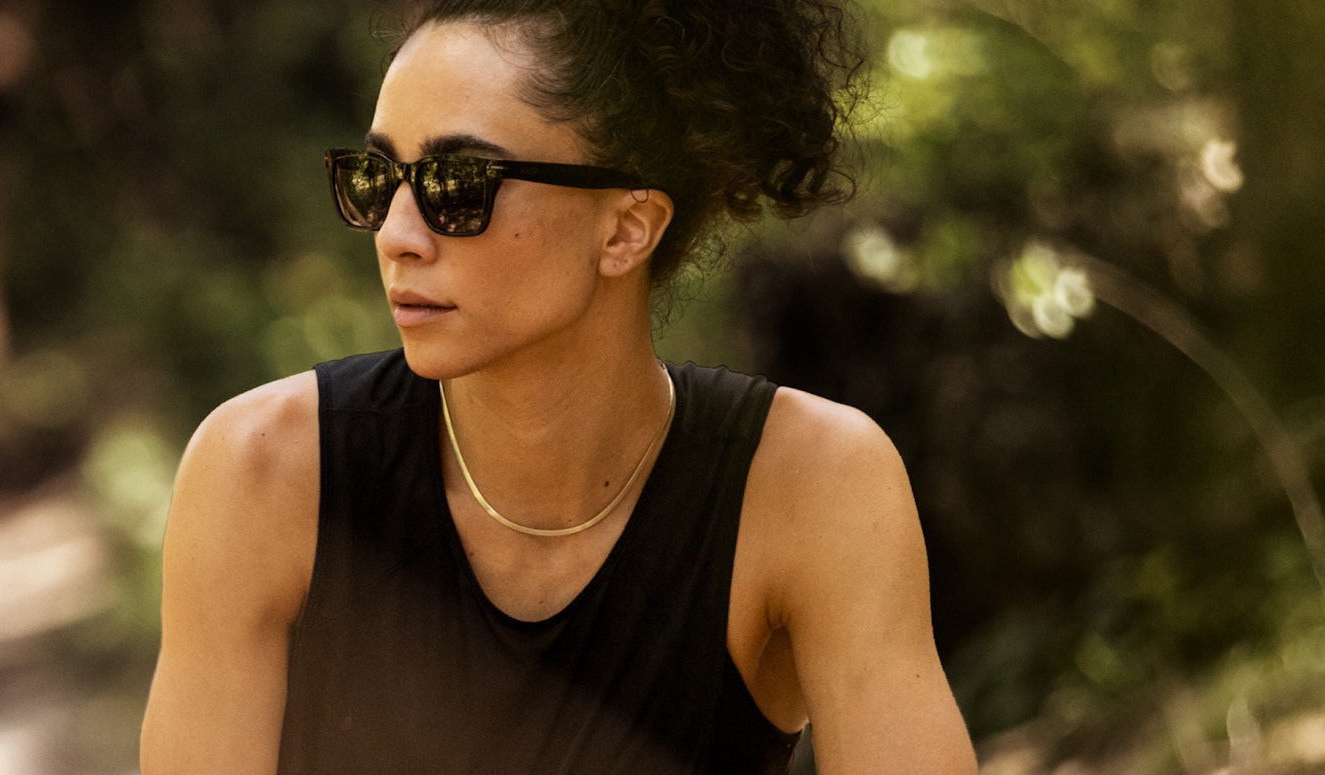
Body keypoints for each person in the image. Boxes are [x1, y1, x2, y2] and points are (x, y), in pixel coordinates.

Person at [138, 0, 976, 772]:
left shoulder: (811, 487)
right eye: (376, 178)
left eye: (457, 187)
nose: (396, 234)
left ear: (625, 228)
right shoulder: (264, 474)